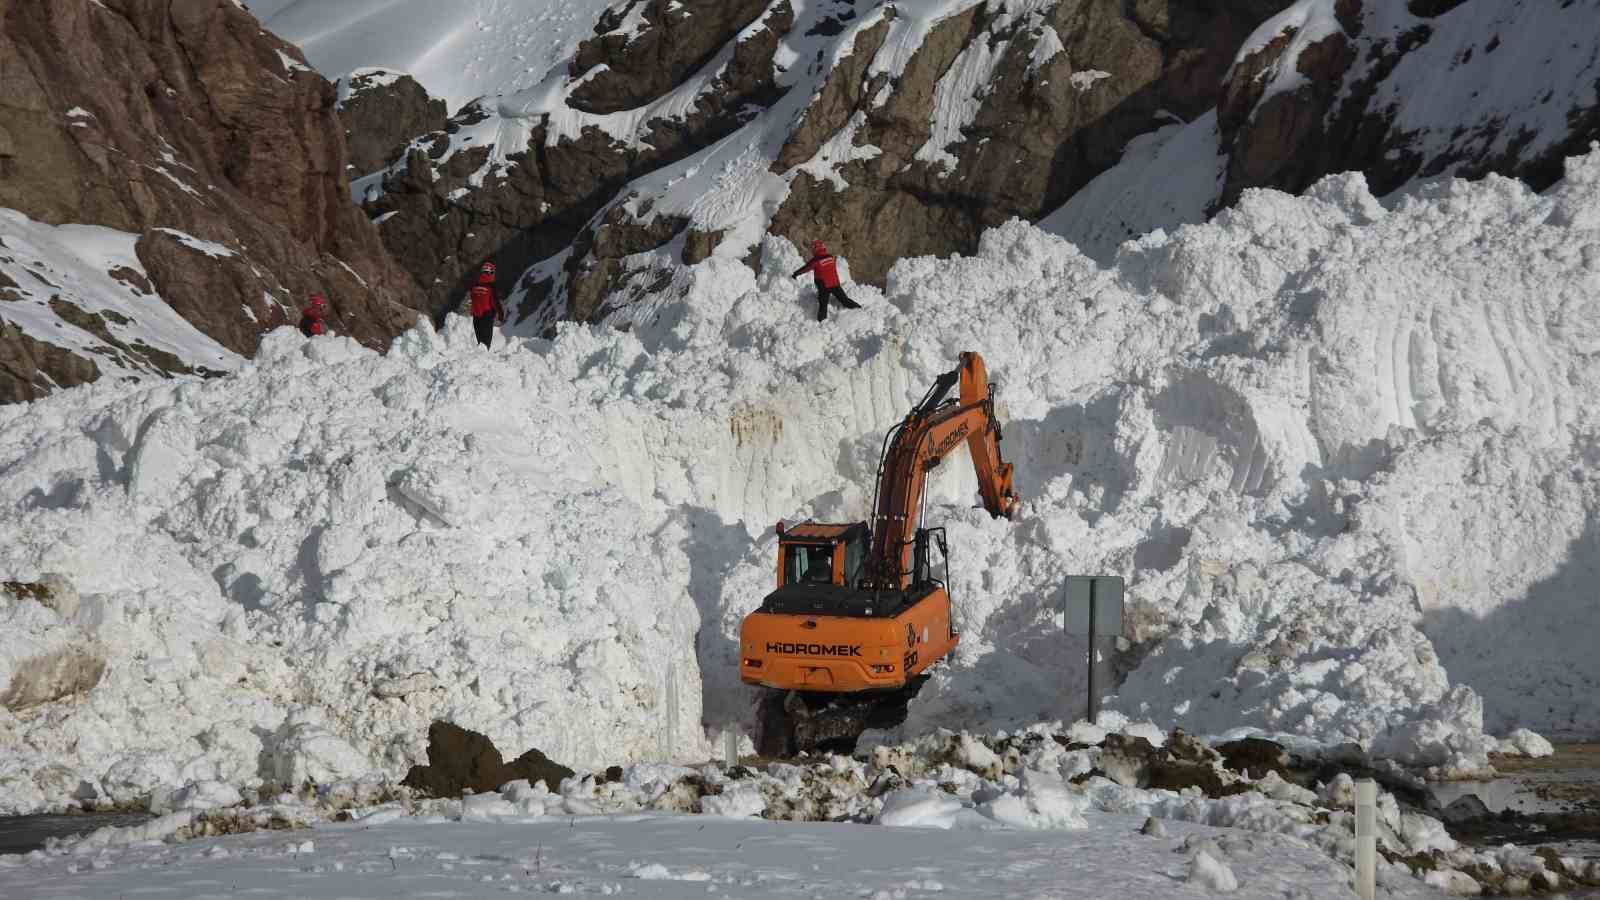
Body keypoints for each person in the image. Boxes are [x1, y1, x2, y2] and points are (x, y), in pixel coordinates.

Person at [791, 240, 861, 322]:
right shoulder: (831, 257)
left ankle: (822, 323)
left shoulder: (816, 260)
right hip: (835, 284)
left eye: (813, 248)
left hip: (824, 286)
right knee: (845, 300)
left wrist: (795, 274)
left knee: (823, 305)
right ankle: (859, 309)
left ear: (815, 249)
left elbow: (806, 268)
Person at [468, 262, 505, 349]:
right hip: (487, 317)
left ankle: (479, 359)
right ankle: (483, 359)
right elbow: (495, 302)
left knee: (480, 342)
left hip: (476, 317)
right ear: (491, 273)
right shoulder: (491, 286)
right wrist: (501, 315)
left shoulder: (475, 285)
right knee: (485, 344)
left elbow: (472, 299)